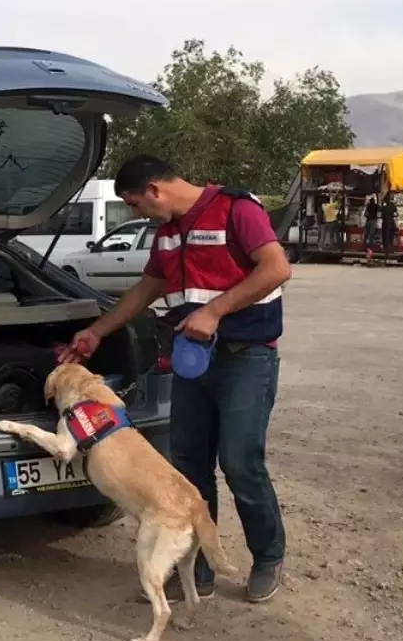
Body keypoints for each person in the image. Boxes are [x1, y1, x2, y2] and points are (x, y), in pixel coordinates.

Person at [59, 155, 292, 603]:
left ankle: (268, 556)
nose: (138, 214)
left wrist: (215, 310)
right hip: (193, 363)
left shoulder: (236, 209)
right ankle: (197, 568)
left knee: (241, 461)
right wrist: (96, 331)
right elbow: (146, 290)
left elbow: (277, 269)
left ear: (155, 190)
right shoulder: (166, 233)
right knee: (189, 468)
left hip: (246, 357)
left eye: (136, 204)